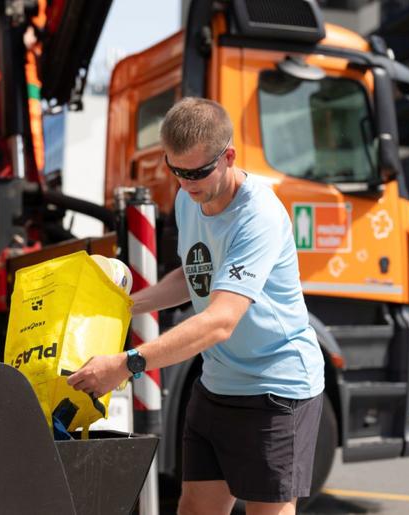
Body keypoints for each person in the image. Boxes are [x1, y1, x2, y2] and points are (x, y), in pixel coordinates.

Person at [67, 98, 325, 515]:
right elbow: (195, 275)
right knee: (195, 510)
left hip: (276, 389)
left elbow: (220, 320)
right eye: (177, 171)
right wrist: (121, 306)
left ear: (228, 157)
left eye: (198, 172)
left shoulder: (258, 215)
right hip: (218, 386)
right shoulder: (190, 200)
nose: (187, 184)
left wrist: (126, 362)